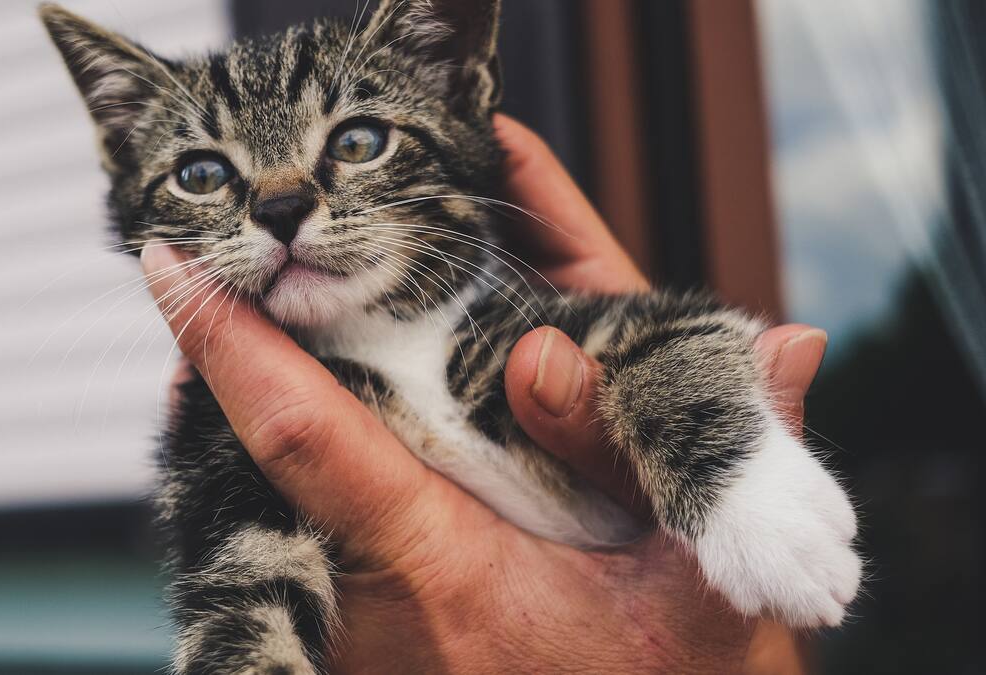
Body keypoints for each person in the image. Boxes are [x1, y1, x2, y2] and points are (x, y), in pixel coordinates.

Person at [140, 114, 824, 673]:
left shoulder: (506, 337)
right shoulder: (229, 427)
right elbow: (239, 615)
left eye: (355, 141)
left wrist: (718, 463)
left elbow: (682, 337)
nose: (281, 202)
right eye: (205, 174)